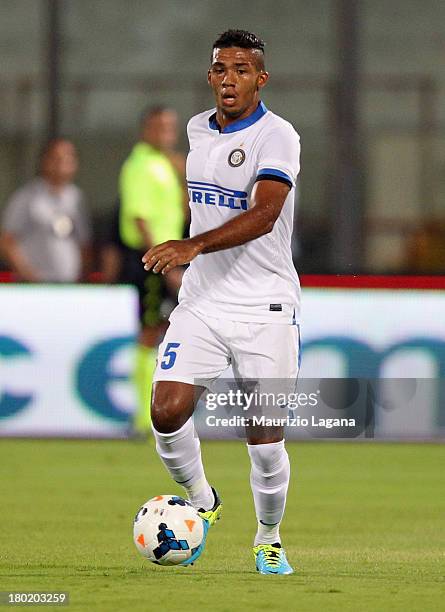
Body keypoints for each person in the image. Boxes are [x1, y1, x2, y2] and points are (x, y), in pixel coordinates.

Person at [142, 30, 301, 575]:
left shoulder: (278, 136)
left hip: (266, 308)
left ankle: (268, 537)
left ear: (261, 78)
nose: (228, 78)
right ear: (210, 76)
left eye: (241, 69)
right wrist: (193, 252)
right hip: (204, 300)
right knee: (165, 412)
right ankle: (204, 501)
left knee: (263, 438)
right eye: (220, 69)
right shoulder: (196, 129)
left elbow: (265, 215)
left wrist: (194, 244)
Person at [118, 107, 185, 437]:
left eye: (171, 127)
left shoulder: (165, 165)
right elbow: (139, 219)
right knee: (149, 332)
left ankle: (164, 411)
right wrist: (164, 263)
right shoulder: (140, 165)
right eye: (160, 126)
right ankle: (144, 417)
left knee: (166, 329)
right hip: (152, 261)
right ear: (146, 129)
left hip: (167, 257)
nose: (166, 132)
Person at [0, 138, 91, 282]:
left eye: (68, 159)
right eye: (57, 158)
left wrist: (82, 276)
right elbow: (7, 242)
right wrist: (27, 274)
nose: (62, 164)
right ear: (44, 161)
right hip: (35, 285)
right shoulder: (27, 197)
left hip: (68, 283)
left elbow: (84, 243)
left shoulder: (77, 198)